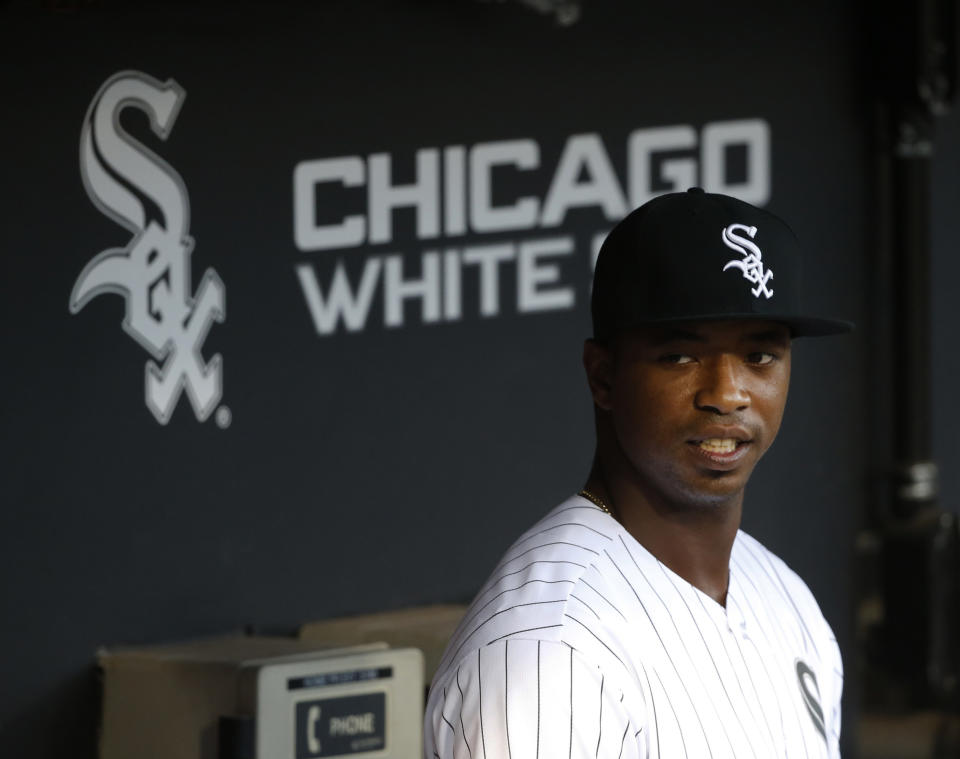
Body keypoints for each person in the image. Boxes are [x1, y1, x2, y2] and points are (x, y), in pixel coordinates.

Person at [423, 187, 851, 758]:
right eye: (681, 356)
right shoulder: (551, 652)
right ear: (603, 377)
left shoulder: (786, 599)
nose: (728, 394)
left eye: (759, 356)